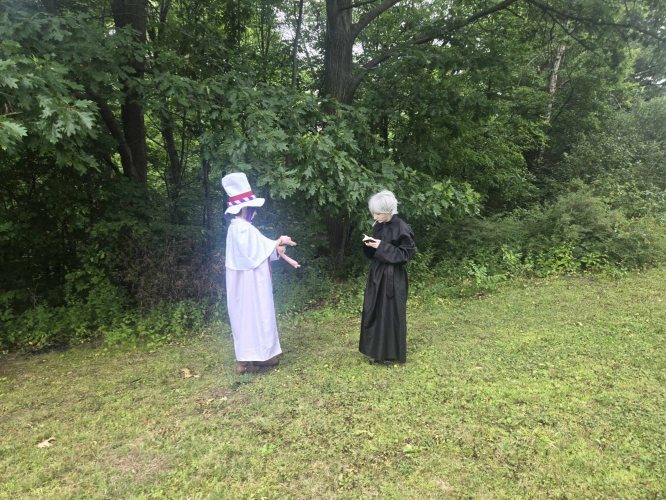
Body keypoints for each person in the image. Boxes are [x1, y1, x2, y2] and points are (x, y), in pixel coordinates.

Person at [222, 172, 297, 374]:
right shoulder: (243, 229)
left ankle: (256, 358)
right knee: (255, 315)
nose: (255, 214)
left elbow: (255, 252)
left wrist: (276, 250)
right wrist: (280, 241)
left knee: (246, 316)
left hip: (244, 283)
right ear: (245, 208)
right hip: (250, 284)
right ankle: (249, 360)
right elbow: (256, 252)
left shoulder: (236, 228)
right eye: (253, 210)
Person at [360, 190, 416, 365]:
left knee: (391, 313)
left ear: (388, 211)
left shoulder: (402, 227)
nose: (374, 217)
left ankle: (391, 354)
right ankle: (376, 352)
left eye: (378, 213)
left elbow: (406, 255)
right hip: (377, 274)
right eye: (373, 213)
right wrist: (369, 245)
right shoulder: (378, 225)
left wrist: (382, 246)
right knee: (374, 310)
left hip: (394, 276)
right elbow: (373, 254)